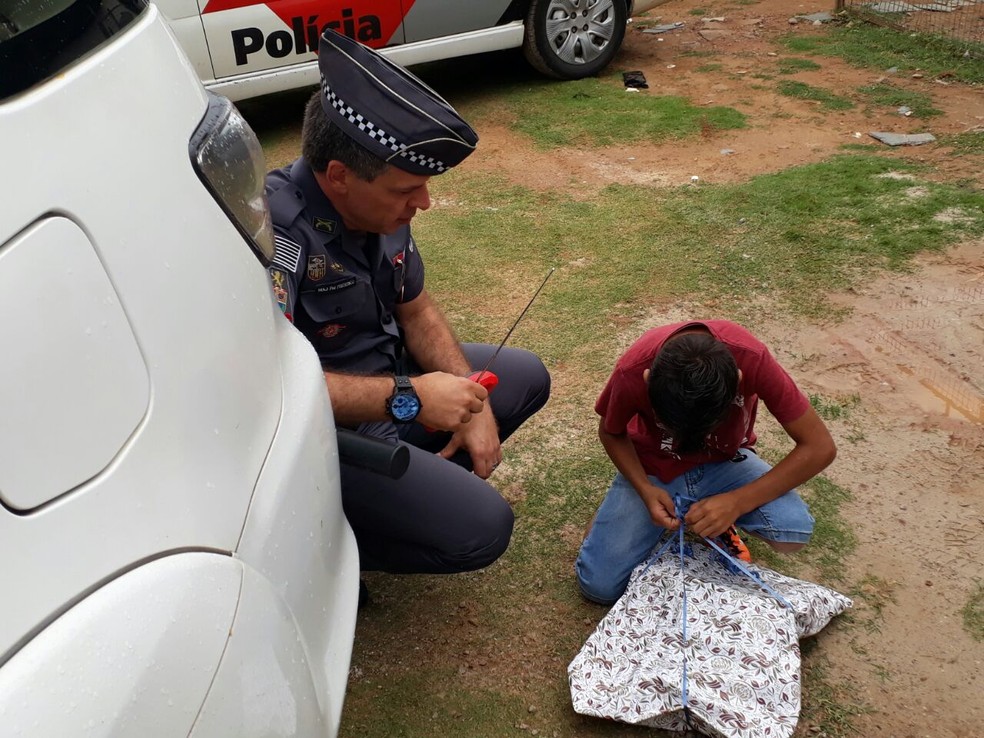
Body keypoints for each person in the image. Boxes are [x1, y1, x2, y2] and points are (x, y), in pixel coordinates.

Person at [265, 29, 550, 577]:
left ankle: (418, 493)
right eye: (405, 190)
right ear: (340, 177)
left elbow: (416, 309)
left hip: (393, 384)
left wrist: (473, 401)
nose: (423, 202)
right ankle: (330, 549)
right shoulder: (277, 236)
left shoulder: (380, 213)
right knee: (482, 529)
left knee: (524, 376)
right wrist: (410, 397)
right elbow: (272, 387)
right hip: (327, 437)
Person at [575, 320, 836, 605]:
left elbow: (820, 447)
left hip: (725, 463)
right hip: (653, 469)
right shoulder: (633, 370)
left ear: (738, 379)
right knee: (598, 587)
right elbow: (611, 431)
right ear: (648, 380)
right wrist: (644, 489)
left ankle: (715, 513)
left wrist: (737, 501)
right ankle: (626, 513)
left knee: (792, 531)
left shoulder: (751, 358)